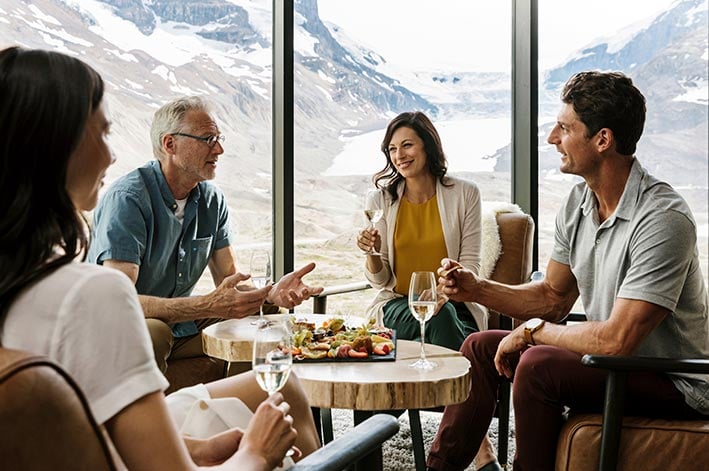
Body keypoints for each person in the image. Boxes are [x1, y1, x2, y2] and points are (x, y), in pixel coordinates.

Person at [0, 46, 320, 470]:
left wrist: (269, 294)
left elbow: (231, 282)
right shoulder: (105, 269)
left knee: (286, 383)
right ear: (56, 149)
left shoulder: (21, 276)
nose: (112, 155)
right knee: (276, 401)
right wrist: (255, 454)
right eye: (101, 133)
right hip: (147, 335)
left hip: (104, 423)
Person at [426, 71, 709, 471]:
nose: (552, 139)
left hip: (673, 381)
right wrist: (475, 289)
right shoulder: (579, 201)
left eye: (564, 128)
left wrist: (531, 331)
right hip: (610, 366)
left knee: (538, 365)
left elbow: (616, 341)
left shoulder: (663, 218)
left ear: (602, 140)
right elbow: (553, 298)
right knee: (478, 347)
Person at [86, 95, 323, 373]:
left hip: (181, 327)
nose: (219, 149)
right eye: (208, 139)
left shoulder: (212, 200)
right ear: (169, 144)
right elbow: (119, 300)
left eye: (219, 138)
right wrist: (205, 305)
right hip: (123, 327)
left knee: (265, 315)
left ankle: (245, 409)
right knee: (154, 331)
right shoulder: (128, 199)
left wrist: (270, 293)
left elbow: (230, 282)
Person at [356, 111, 486, 351]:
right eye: (392, 149)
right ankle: (460, 386)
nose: (399, 155)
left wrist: (441, 293)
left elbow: (470, 266)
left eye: (407, 145)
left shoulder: (466, 194)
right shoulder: (380, 200)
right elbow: (381, 281)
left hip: (455, 305)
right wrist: (372, 254)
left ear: (428, 146)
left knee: (440, 318)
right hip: (398, 306)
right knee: (439, 317)